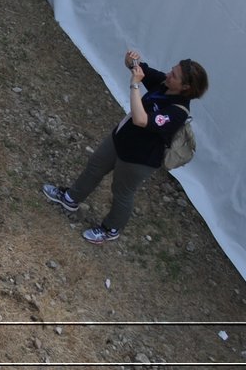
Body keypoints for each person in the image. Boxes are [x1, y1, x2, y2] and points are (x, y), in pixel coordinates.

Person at [43, 50, 209, 245]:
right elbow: (137, 67)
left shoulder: (177, 112)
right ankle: (71, 198)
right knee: (94, 167)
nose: (168, 74)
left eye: (174, 75)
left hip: (138, 160)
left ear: (185, 87)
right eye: (172, 69)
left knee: (122, 192)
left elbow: (141, 120)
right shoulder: (164, 83)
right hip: (120, 139)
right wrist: (132, 59)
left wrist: (135, 84)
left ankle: (110, 229)